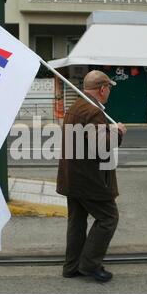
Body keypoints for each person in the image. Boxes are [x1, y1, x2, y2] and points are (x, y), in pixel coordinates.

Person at [57, 70, 127, 282]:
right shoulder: (93, 111)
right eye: (109, 89)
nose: (109, 93)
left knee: (77, 222)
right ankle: (89, 264)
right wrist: (117, 132)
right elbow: (101, 147)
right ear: (103, 89)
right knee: (108, 219)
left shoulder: (76, 107)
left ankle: (71, 266)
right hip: (90, 179)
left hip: (73, 176)